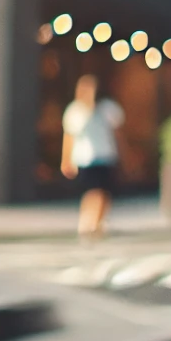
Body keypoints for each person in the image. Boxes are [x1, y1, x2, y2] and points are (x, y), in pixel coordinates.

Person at [61, 74, 124, 241]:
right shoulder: (76, 112)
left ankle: (99, 221)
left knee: (104, 193)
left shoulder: (108, 109)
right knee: (92, 192)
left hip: (106, 155)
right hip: (85, 158)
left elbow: (118, 135)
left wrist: (124, 154)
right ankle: (88, 222)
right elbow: (69, 137)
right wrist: (66, 159)